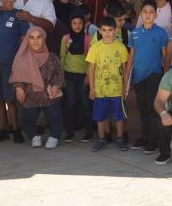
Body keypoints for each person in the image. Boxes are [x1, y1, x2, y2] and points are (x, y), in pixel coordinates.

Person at [0, 0, 29, 144]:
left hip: (11, 64)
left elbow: (24, 40)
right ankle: (2, 130)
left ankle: (16, 129)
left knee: (10, 99)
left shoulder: (20, 16)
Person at [10, 26, 65, 149]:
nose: (36, 41)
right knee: (25, 120)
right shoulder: (21, 57)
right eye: (32, 38)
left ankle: (54, 136)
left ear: (44, 39)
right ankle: (34, 136)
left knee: (55, 117)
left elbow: (59, 74)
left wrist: (56, 85)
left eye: (39, 37)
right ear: (27, 40)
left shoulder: (52, 57)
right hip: (30, 96)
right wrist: (19, 88)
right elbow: (16, 76)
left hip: (49, 95)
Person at [128, 0, 170, 153]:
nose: (148, 15)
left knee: (153, 108)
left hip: (154, 74)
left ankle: (154, 140)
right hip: (138, 76)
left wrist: (165, 75)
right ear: (141, 14)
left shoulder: (161, 32)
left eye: (151, 12)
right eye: (145, 12)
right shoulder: (135, 33)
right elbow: (131, 57)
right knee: (142, 108)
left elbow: (165, 56)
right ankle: (145, 136)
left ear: (155, 15)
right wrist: (127, 77)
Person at [86, 16, 129, 152]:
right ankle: (101, 139)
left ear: (115, 30)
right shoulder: (95, 47)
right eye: (104, 30)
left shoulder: (121, 47)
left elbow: (125, 68)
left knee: (118, 116)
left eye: (110, 30)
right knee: (100, 116)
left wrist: (125, 87)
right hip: (100, 89)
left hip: (117, 89)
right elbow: (91, 68)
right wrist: (92, 89)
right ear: (99, 31)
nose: (107, 33)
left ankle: (120, 138)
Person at [60, 10, 92, 142]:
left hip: (83, 76)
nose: (77, 26)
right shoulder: (66, 38)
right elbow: (62, 56)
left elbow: (91, 60)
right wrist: (61, 76)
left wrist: (88, 77)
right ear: (70, 24)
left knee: (85, 103)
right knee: (70, 103)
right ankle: (69, 131)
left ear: (84, 24)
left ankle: (89, 131)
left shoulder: (87, 39)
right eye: (74, 23)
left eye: (80, 23)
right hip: (69, 76)